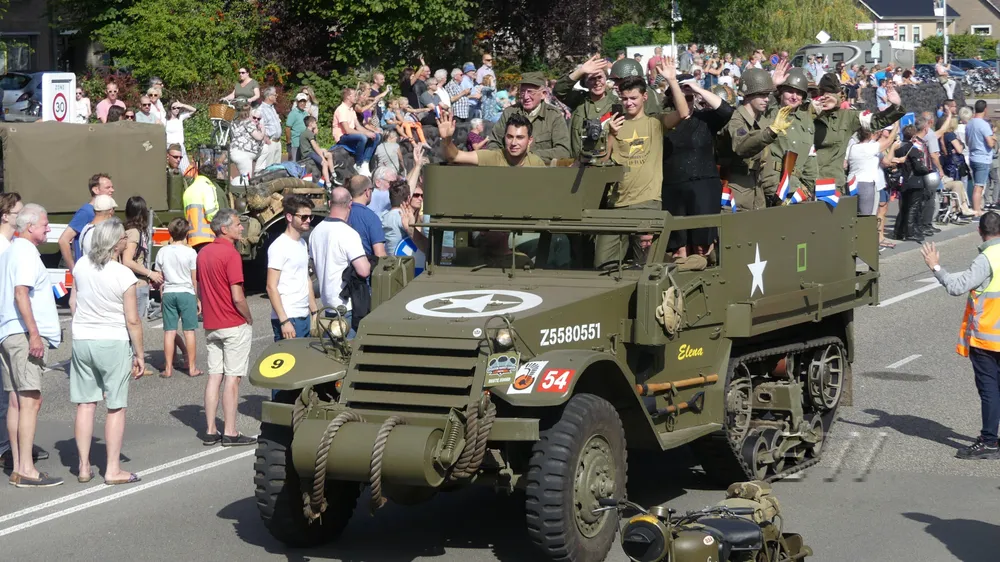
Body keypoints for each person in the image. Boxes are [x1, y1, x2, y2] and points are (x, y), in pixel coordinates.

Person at [69, 219, 144, 485]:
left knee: (85, 403)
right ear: (115, 243)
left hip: (83, 338)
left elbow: (74, 301)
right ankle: (112, 469)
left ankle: (83, 466)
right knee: (115, 406)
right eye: (123, 237)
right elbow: (132, 320)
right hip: (112, 339)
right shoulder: (124, 274)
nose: (126, 240)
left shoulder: (81, 265)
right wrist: (140, 354)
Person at [922, 212, 1000, 459]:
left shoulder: (986, 259)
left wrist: (935, 267)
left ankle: (989, 441)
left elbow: (957, 286)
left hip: (988, 338)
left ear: (979, 231)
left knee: (990, 390)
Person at [597, 60, 689, 265]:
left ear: (644, 97)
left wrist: (672, 80)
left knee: (644, 264)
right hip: (617, 204)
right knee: (603, 263)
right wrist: (611, 134)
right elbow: (602, 160)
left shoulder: (655, 123)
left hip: (647, 203)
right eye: (624, 99)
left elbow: (683, 113)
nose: (628, 103)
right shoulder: (613, 124)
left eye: (633, 98)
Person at [0, 204, 62, 487]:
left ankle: (18, 466)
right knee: (30, 400)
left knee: (16, 400)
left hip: (9, 332)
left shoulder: (10, 251)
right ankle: (25, 469)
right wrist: (34, 334)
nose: (48, 228)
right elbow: (21, 293)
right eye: (45, 224)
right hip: (23, 334)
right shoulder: (24, 252)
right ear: (29, 227)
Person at [197, 209, 256, 447]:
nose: (241, 228)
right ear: (224, 229)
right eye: (237, 224)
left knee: (214, 376)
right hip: (232, 323)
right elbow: (237, 296)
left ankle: (210, 429)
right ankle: (230, 431)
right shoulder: (231, 254)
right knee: (233, 378)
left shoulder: (203, 253)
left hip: (212, 324)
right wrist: (248, 317)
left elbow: (200, 288)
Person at [662, 76, 733, 258]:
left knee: (702, 246)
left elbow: (726, 111)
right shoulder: (665, 121)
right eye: (681, 97)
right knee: (679, 248)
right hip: (673, 187)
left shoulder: (705, 119)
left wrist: (698, 89)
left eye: (689, 97)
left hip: (703, 186)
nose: (686, 101)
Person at [734, 65, 818, 202]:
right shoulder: (768, 112)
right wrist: (773, 85)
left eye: (799, 93)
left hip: (796, 188)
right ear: (781, 93)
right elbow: (751, 105)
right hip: (770, 185)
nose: (794, 97)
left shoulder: (806, 121)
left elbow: (810, 159)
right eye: (789, 91)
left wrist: (809, 188)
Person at [813, 73, 905, 190]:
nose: (827, 97)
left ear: (840, 94)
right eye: (823, 93)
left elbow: (876, 121)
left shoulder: (848, 117)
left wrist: (896, 106)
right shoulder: (808, 114)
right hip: (806, 183)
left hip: (832, 183)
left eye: (832, 93)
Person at [309, 188, 371, 339]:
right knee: (347, 350)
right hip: (346, 307)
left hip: (327, 305)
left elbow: (315, 267)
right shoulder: (348, 233)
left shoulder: (315, 231)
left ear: (330, 203)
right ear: (350, 204)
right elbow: (364, 270)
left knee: (329, 349)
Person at [486, 72, 571, 164]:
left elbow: (563, 151)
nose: (526, 97)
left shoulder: (553, 116)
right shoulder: (509, 113)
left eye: (531, 92)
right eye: (522, 91)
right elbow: (493, 144)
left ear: (543, 94)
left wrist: (527, 157)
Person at [154, 218, 202, 379]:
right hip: (186, 292)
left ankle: (168, 368)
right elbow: (194, 278)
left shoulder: (162, 251)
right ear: (186, 233)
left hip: (169, 292)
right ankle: (192, 368)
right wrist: (197, 299)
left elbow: (160, 278)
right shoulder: (190, 252)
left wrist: (162, 295)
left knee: (169, 332)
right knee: (189, 331)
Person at [267, 195, 318, 342]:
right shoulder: (279, 246)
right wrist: (284, 321)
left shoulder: (302, 243)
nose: (308, 220)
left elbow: (306, 279)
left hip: (303, 315)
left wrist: (314, 311)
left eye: (310, 217)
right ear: (289, 217)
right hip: (289, 317)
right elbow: (271, 286)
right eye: (303, 217)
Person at [726, 68, 774, 210]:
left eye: (767, 95)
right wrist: (769, 134)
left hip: (757, 192)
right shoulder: (735, 119)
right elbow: (741, 146)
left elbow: (766, 162)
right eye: (762, 94)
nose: (766, 99)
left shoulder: (762, 121)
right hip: (737, 193)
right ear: (748, 94)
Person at [0, 193, 25, 470]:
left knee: (10, 391)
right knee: (7, 392)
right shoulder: (3, 247)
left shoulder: (12, 245)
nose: (23, 216)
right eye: (19, 212)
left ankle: (11, 444)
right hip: (4, 323)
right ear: (6, 216)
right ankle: (6, 447)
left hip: (7, 324)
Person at [552, 54, 614, 157]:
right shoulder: (579, 100)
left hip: (605, 163)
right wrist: (581, 71)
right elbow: (559, 90)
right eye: (591, 79)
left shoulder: (616, 103)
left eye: (600, 77)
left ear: (606, 78)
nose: (597, 82)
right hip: (578, 162)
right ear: (585, 83)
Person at [440, 111, 545, 167]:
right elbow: (455, 156)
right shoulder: (492, 157)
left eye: (520, 137)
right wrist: (447, 140)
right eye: (510, 137)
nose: (513, 143)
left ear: (529, 140)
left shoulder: (536, 163)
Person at [58, 173, 114, 272]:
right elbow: (63, 240)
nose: (112, 190)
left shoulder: (105, 212)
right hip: (86, 270)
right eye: (107, 187)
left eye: (112, 187)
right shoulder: (86, 212)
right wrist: (73, 269)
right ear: (96, 190)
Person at [121, 196, 164, 325]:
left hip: (132, 282)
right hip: (136, 283)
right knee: (136, 324)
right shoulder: (134, 232)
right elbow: (127, 260)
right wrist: (150, 274)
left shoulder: (127, 230)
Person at [845, 122, 900, 216]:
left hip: (851, 182)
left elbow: (886, 161)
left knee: (851, 215)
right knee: (867, 215)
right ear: (871, 134)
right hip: (866, 183)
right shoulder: (871, 147)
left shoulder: (852, 147)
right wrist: (896, 126)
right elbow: (889, 141)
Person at [893, 125, 934, 243]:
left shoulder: (899, 148)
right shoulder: (912, 149)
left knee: (904, 207)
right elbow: (918, 167)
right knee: (913, 207)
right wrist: (927, 170)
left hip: (903, 181)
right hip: (914, 181)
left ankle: (898, 232)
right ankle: (910, 233)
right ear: (914, 136)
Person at [332, 88, 380, 176]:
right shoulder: (341, 109)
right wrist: (365, 133)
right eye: (354, 95)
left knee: (376, 136)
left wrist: (370, 132)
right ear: (348, 97)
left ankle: (365, 162)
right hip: (342, 136)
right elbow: (347, 130)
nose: (356, 97)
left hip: (351, 134)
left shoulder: (351, 110)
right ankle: (358, 164)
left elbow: (358, 126)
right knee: (363, 137)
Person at [346, 175, 388, 257]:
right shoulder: (372, 218)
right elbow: (380, 254)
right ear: (367, 192)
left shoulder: (342, 213)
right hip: (365, 263)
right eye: (372, 190)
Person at [967, 100, 997, 215]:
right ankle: (977, 210)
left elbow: (967, 141)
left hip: (973, 156)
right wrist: (993, 139)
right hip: (982, 157)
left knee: (976, 183)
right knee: (979, 186)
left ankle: (977, 207)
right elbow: (990, 143)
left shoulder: (970, 123)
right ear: (985, 109)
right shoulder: (984, 124)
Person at [183, 163, 220, 249]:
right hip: (207, 238)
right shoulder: (208, 187)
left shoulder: (188, 190)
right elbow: (211, 214)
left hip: (192, 239)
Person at [230, 106, 265, 181]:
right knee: (247, 180)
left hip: (236, 151)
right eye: (254, 117)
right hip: (242, 154)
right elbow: (259, 137)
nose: (256, 120)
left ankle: (258, 171)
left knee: (266, 149)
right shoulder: (248, 123)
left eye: (258, 119)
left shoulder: (237, 121)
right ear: (249, 115)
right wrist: (263, 129)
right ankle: (257, 173)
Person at [299, 116, 335, 185]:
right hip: (308, 153)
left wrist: (322, 150)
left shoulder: (309, 133)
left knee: (328, 154)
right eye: (315, 123)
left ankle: (333, 173)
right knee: (324, 163)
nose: (316, 124)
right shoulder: (308, 133)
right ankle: (328, 182)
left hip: (311, 151)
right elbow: (315, 146)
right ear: (311, 124)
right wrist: (322, 158)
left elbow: (316, 145)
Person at [255, 87, 282, 172]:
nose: (276, 96)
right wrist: (266, 138)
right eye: (275, 95)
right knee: (269, 168)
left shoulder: (272, 108)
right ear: (269, 96)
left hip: (278, 142)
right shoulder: (261, 110)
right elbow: (259, 126)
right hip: (270, 142)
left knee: (277, 168)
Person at [165, 100, 196, 172]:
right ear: (170, 109)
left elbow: (194, 110)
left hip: (180, 147)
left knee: (186, 170)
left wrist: (182, 105)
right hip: (170, 147)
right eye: (174, 108)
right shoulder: (165, 120)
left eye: (178, 108)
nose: (176, 110)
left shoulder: (180, 117)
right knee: (170, 169)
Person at [285, 93, 310, 162]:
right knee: (294, 163)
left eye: (304, 101)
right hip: (295, 144)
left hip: (304, 144)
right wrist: (289, 143)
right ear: (297, 102)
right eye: (300, 101)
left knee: (303, 163)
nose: (302, 103)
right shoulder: (293, 113)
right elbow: (287, 129)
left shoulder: (306, 113)